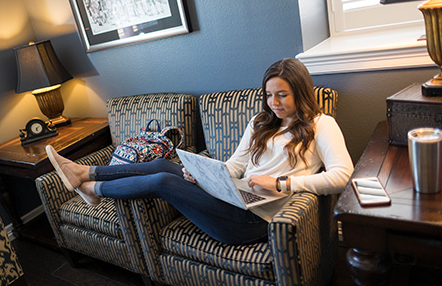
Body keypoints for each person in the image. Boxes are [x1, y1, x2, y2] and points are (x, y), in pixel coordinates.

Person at [45, 58, 354, 246]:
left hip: (255, 220)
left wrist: (282, 184)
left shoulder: (320, 124)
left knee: (162, 182)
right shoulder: (261, 122)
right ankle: (85, 173)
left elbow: (343, 176)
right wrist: (206, 174)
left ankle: (91, 186)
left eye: (282, 95)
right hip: (236, 197)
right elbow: (235, 167)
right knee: (164, 166)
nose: (274, 102)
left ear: (300, 91)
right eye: (269, 95)